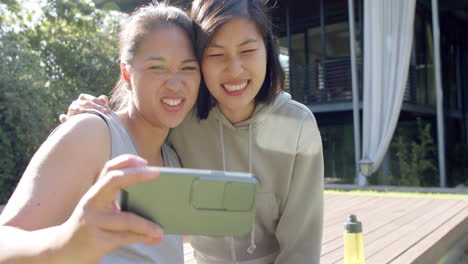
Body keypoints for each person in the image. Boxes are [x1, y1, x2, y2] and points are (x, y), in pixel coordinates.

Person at [61, 0, 324, 263]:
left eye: (247, 51)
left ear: (267, 51)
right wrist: (91, 116)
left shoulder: (297, 124)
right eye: (216, 54)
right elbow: (131, 130)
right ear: (199, 61)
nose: (234, 69)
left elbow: (302, 248)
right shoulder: (180, 120)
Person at [0, 2, 200, 264]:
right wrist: (65, 242)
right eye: (156, 67)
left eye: (188, 68)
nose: (175, 83)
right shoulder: (91, 134)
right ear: (127, 73)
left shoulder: (174, 158)